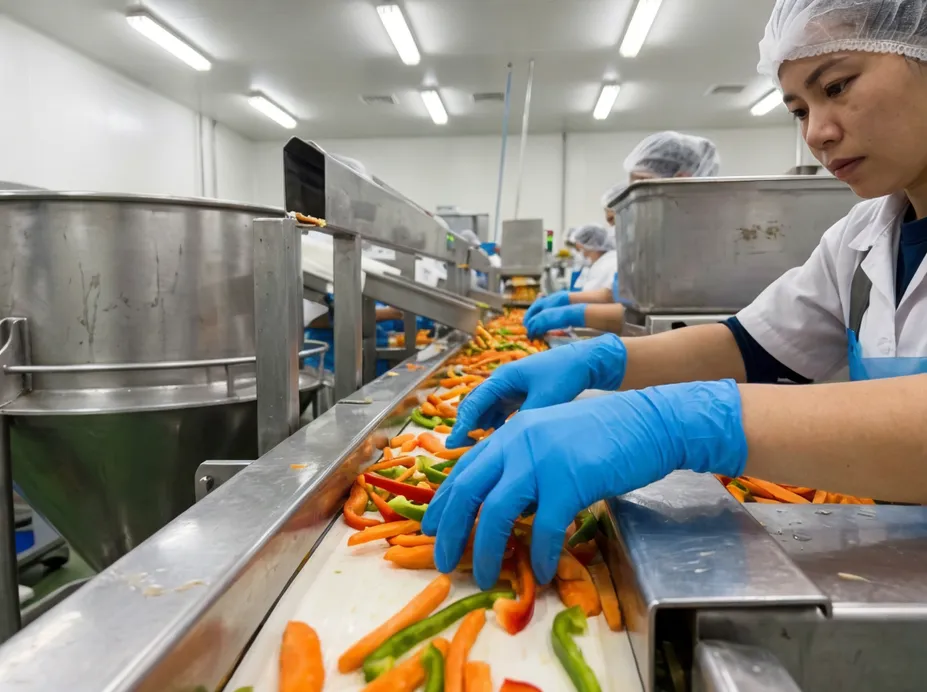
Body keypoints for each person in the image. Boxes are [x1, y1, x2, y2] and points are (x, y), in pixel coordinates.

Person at [423, 0, 927, 592]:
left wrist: (676, 423)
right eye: (798, 109)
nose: (817, 132)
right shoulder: (860, 237)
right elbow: (751, 347)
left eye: (837, 86)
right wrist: (604, 362)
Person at [526, 132, 721, 338]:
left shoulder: (702, 245)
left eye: (642, 185)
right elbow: (627, 302)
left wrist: (573, 313)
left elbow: (667, 323)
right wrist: (566, 303)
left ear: (682, 180)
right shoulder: (657, 242)